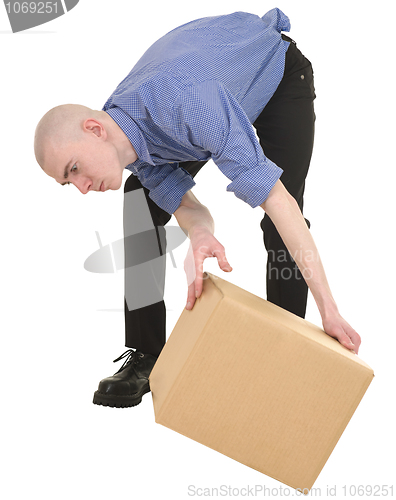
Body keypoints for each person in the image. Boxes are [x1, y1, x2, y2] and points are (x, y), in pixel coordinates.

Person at [34, 8, 361, 409]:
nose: (82, 188)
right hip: (207, 88)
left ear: (94, 129)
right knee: (141, 198)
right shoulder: (124, 135)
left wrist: (330, 310)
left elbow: (277, 201)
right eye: (69, 183)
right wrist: (201, 234)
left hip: (276, 77)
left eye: (75, 169)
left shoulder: (189, 106)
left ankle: (285, 347)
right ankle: (146, 354)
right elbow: (189, 208)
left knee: (280, 211)